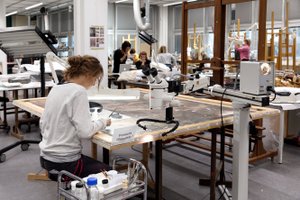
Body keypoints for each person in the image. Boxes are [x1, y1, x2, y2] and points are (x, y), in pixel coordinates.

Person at [39, 55, 111, 178]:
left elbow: (42, 124)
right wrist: (103, 122)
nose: (94, 83)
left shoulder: (56, 88)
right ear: (89, 74)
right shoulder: (79, 91)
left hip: (46, 159)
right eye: (96, 78)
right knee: (109, 173)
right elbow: (85, 132)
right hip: (67, 163)